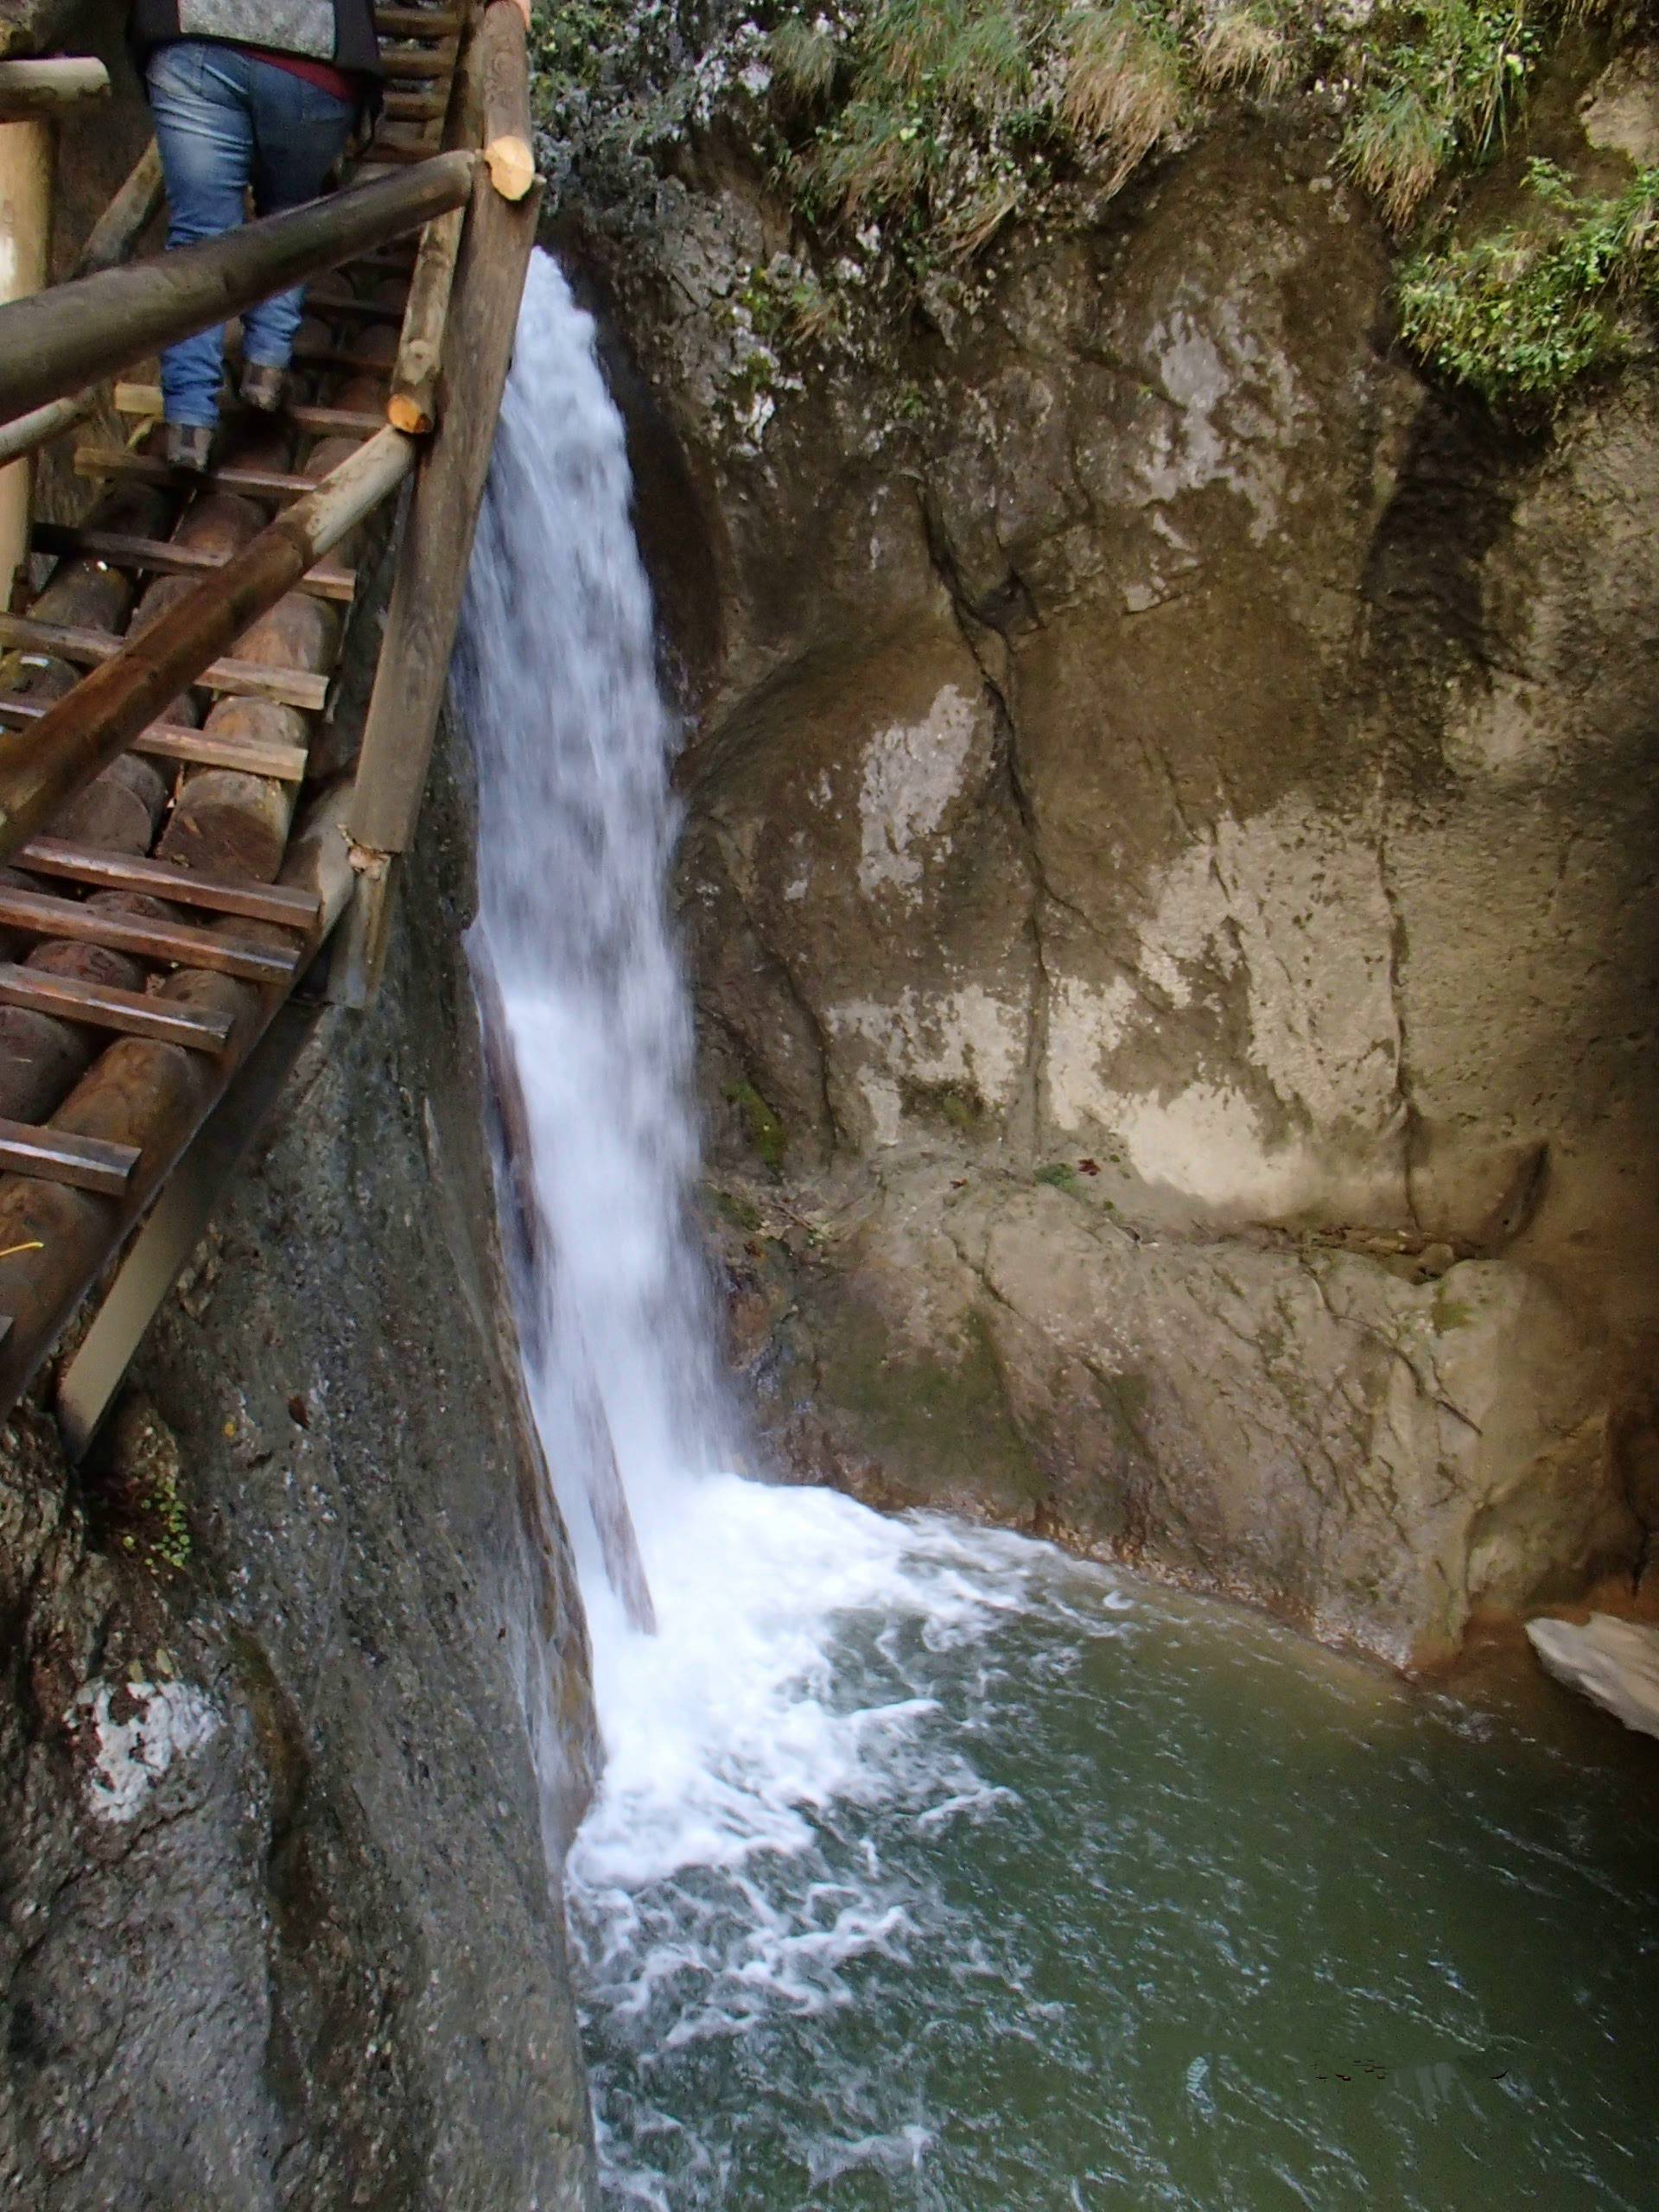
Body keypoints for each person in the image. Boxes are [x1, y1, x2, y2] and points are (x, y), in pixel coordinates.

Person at [127, 2, 385, 472]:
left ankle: (189, 423)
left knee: (198, 239)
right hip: (314, 57)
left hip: (195, 37)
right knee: (291, 213)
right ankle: (266, 367)